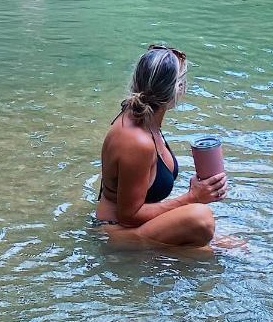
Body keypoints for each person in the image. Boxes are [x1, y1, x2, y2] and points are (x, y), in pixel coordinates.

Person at [95, 46, 228, 249]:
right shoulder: (136, 141)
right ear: (179, 89)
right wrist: (193, 197)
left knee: (230, 247)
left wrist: (197, 192)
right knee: (202, 220)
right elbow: (128, 216)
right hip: (117, 233)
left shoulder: (144, 118)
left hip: (137, 226)